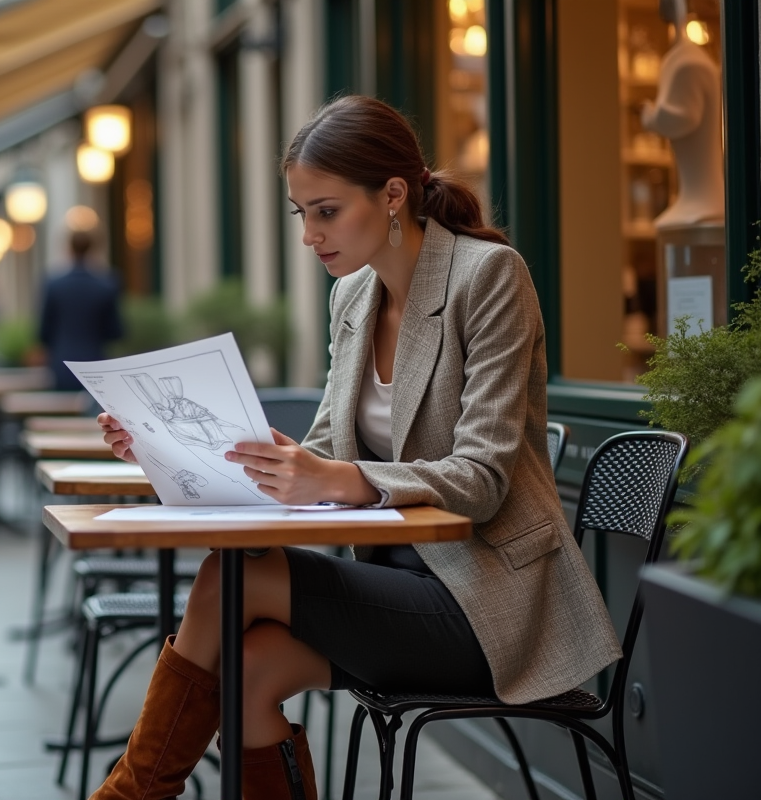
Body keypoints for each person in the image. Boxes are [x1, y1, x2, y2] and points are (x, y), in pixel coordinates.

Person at [91, 95, 623, 799]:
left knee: (232, 577)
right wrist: (161, 444)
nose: (310, 234)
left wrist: (338, 479)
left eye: (326, 210)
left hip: (484, 602)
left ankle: (131, 794)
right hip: (389, 585)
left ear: (393, 195)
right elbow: (315, 454)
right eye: (301, 212)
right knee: (248, 673)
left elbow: (482, 477)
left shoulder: (489, 278)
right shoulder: (354, 298)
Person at [38, 230, 123, 391]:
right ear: (93, 249)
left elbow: (43, 331)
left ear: (68, 249)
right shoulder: (107, 285)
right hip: (96, 363)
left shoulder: (54, 285)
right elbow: (116, 331)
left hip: (62, 364)